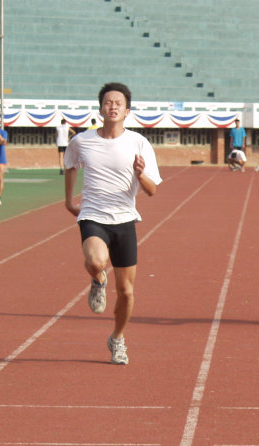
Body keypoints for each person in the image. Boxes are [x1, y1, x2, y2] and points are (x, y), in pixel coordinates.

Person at [64, 82, 161, 365]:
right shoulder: (82, 141)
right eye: (109, 102)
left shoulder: (138, 143)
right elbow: (70, 165)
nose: (114, 106)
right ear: (100, 109)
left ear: (127, 110)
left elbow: (152, 189)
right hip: (93, 215)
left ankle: (117, 338)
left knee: (127, 292)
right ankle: (97, 279)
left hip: (125, 220)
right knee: (95, 261)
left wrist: (141, 175)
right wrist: (69, 201)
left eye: (119, 102)